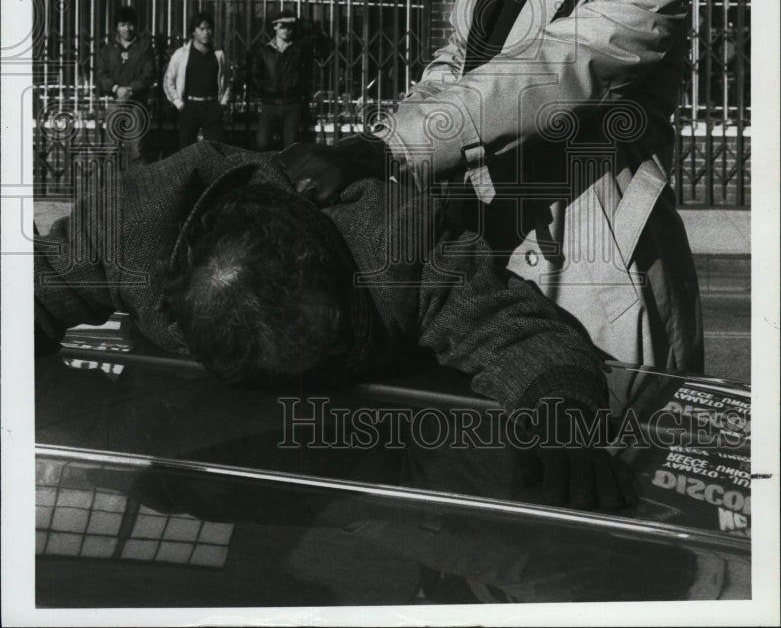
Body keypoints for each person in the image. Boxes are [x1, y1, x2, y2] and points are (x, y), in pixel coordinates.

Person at [279, 0, 703, 374]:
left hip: (590, 281)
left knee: (592, 459)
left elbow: (548, 74)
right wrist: (383, 153)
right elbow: (458, 60)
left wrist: (388, 149)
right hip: (480, 280)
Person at [34, 140, 635, 511]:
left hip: (375, 457)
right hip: (186, 448)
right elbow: (32, 291)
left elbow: (518, 329)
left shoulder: (396, 240)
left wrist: (562, 417)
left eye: (326, 345)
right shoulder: (130, 227)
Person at [95, 4, 155, 166]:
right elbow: (100, 75)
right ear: (116, 27)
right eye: (122, 25)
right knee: (111, 150)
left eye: (130, 24)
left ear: (135, 26)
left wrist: (130, 89)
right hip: (115, 103)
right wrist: (116, 89)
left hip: (137, 103)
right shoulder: (108, 50)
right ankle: (110, 188)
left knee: (138, 149)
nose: (126, 29)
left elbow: (149, 74)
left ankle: (137, 189)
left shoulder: (145, 48)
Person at [163, 11, 230, 149]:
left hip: (212, 107)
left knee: (215, 151)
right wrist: (178, 103)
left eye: (209, 28)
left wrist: (222, 104)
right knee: (187, 151)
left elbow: (228, 80)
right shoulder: (181, 55)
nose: (206, 32)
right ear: (193, 31)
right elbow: (168, 81)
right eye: (202, 28)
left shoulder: (219, 55)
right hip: (190, 107)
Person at [252, 9, 312, 151]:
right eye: (282, 26)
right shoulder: (265, 50)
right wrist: (265, 89)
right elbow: (255, 75)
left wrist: (298, 89)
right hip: (270, 104)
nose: (286, 30)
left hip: (292, 104)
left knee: (291, 146)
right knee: (262, 143)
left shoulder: (298, 50)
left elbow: (307, 74)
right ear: (275, 27)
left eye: (289, 27)